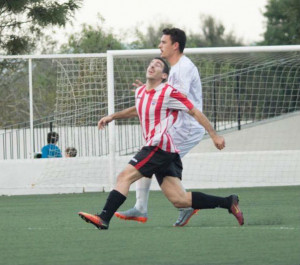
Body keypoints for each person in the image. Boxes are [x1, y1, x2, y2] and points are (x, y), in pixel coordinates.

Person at [78, 57, 244, 230]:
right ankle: (228, 202)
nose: (152, 65)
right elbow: (138, 108)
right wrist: (112, 116)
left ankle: (104, 218)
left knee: (124, 177)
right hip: (167, 151)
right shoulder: (140, 91)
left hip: (159, 146)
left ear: (164, 75)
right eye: (151, 63)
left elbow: (194, 111)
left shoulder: (169, 92)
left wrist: (214, 134)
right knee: (181, 200)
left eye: (158, 65)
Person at [114, 28, 206, 227]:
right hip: (177, 125)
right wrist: (150, 91)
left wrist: (150, 93)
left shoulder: (182, 69)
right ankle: (180, 205)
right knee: (151, 158)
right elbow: (163, 98)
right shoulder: (174, 69)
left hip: (187, 127)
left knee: (151, 158)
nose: (159, 45)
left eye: (163, 42)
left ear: (175, 45)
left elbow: (175, 103)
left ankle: (146, 207)